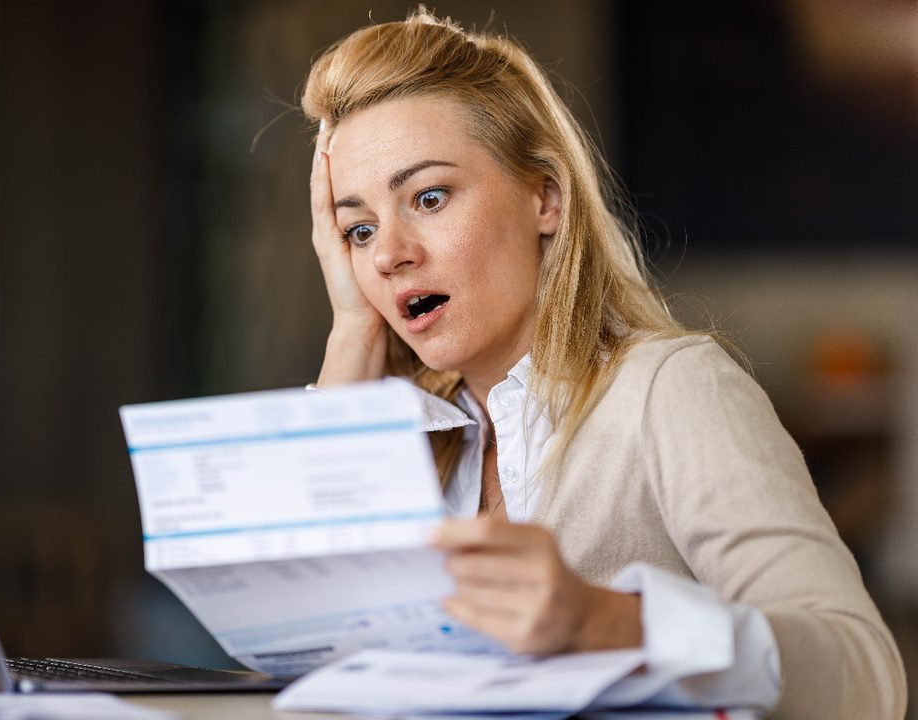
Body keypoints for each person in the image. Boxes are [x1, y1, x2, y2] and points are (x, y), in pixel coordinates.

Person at [300, 8, 906, 718]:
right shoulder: (398, 437)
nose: (387, 253)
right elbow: (311, 666)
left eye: (429, 198)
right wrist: (350, 329)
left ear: (545, 198)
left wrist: (613, 624)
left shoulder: (669, 389)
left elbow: (867, 678)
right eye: (358, 228)